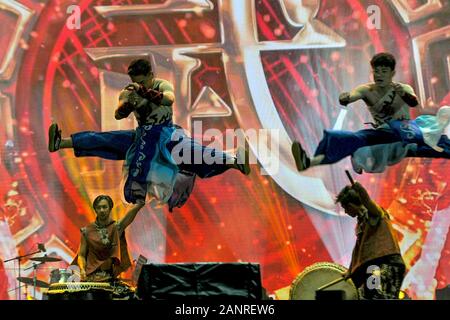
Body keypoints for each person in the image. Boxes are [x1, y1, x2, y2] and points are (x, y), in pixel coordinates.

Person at [48, 59, 250, 207]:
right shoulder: (129, 91)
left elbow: (168, 99)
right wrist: (128, 104)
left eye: (142, 81)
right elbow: (119, 114)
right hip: (142, 135)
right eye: (136, 81)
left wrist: (143, 92)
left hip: (166, 133)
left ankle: (235, 162)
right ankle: (61, 142)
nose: (138, 84)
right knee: (105, 139)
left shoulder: (161, 85)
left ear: (150, 76)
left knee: (193, 151)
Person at [291, 52, 450, 173]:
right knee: (352, 139)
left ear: (392, 73)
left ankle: (359, 158)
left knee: (439, 144)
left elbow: (413, 102)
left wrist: (403, 94)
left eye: (384, 71)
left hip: (408, 133)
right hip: (384, 133)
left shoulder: (403, 88)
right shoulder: (366, 90)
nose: (379, 75)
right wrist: (345, 98)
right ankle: (309, 162)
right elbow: (350, 96)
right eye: (376, 71)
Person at [336, 182, 405, 299]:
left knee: (379, 297)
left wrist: (362, 193)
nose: (346, 212)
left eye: (345, 208)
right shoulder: (361, 224)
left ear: (351, 205)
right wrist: (350, 270)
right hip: (374, 267)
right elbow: (357, 249)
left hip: (387, 263)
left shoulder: (375, 214)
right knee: (369, 297)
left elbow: (369, 203)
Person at [73, 195, 144, 283]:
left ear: (110, 208)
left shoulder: (116, 228)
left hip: (109, 278)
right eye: (99, 207)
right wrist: (82, 270)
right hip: (90, 278)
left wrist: (139, 205)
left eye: (104, 207)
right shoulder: (87, 231)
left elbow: (127, 218)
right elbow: (81, 255)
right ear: (95, 209)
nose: (102, 210)